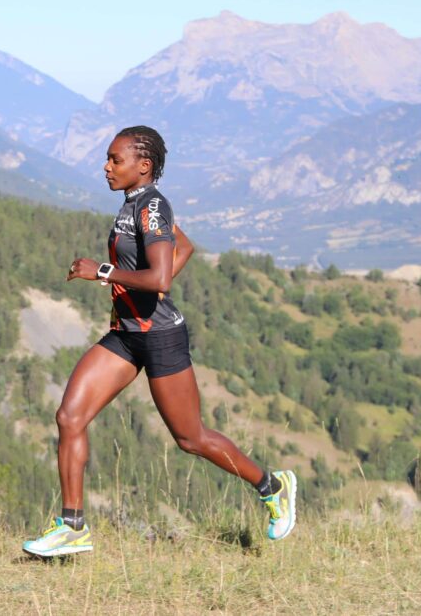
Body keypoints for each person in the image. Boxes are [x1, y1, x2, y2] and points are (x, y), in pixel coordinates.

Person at [23, 126, 296, 558]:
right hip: (126, 336)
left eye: (115, 160)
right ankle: (72, 526)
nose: (106, 166)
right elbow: (182, 246)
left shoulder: (151, 207)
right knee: (70, 416)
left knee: (191, 439)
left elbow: (161, 276)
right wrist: (133, 297)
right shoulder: (134, 205)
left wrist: (105, 273)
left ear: (143, 166)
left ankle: (272, 486)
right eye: (108, 159)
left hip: (161, 338)